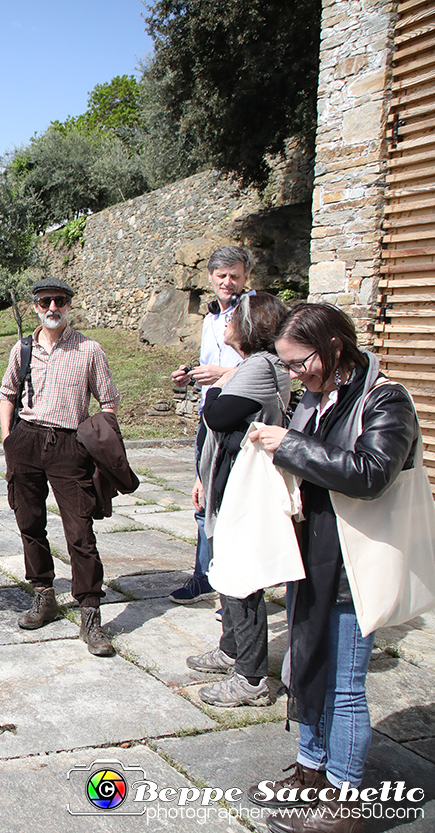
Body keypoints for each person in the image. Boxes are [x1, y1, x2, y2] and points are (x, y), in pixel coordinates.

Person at [248, 304, 420, 833]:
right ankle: (312, 771)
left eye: (300, 362)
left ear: (334, 348)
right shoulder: (316, 397)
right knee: (306, 664)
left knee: (345, 684)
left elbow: (371, 473)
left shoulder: (386, 399)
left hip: (353, 563)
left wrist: (289, 445)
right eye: (288, 365)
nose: (295, 374)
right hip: (312, 556)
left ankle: (346, 801)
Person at [0, 277, 121, 657]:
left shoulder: (89, 349)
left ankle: (90, 613)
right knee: (29, 522)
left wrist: (96, 439)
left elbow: (110, 402)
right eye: (45, 302)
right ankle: (44, 594)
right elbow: (7, 393)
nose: (53, 308)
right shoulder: (22, 349)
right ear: (35, 305)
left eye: (60, 301)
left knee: (80, 529)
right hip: (27, 439)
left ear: (69, 305)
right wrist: (8, 441)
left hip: (69, 444)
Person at [183, 292, 290, 708]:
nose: (224, 322)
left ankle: (250, 678)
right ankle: (231, 649)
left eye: (232, 318)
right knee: (226, 569)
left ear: (248, 327)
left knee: (241, 578)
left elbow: (219, 416)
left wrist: (220, 385)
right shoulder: (251, 366)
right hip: (228, 479)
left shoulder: (260, 366)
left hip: (245, 486)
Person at [169, 245, 254, 604]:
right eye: (222, 276)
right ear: (210, 278)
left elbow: (271, 365)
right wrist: (191, 375)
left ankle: (238, 586)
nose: (228, 282)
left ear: (245, 277)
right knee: (204, 499)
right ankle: (204, 577)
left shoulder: (255, 313)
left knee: (235, 503)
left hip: (242, 417)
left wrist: (223, 373)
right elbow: (209, 363)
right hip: (211, 415)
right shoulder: (210, 318)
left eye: (235, 275)